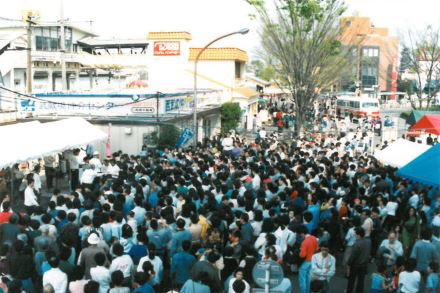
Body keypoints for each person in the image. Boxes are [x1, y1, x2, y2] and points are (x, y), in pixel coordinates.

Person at [346, 227, 371, 293]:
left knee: (351, 280)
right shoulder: (368, 242)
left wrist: (348, 264)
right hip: (364, 265)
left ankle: (349, 291)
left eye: (355, 234)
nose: (354, 235)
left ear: (358, 235)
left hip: (355, 265)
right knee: (361, 281)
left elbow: (353, 256)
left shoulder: (357, 243)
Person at [298, 225, 319, 293]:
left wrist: (300, 250)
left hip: (306, 261)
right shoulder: (313, 238)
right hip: (313, 260)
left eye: (300, 234)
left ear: (302, 233)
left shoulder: (304, 242)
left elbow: (302, 255)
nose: (300, 236)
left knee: (302, 280)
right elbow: (317, 248)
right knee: (308, 278)